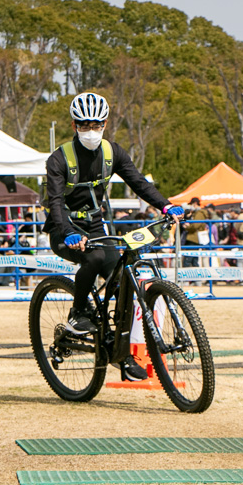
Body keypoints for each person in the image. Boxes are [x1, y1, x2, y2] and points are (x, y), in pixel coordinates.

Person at [44, 92, 180, 378]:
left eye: (97, 125)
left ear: (105, 123)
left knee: (124, 282)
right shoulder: (59, 159)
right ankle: (78, 313)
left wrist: (166, 205)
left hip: (95, 226)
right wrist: (67, 232)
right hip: (63, 229)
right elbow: (54, 203)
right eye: (84, 125)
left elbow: (139, 183)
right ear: (74, 125)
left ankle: (119, 352)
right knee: (92, 258)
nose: (91, 131)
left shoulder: (113, 152)